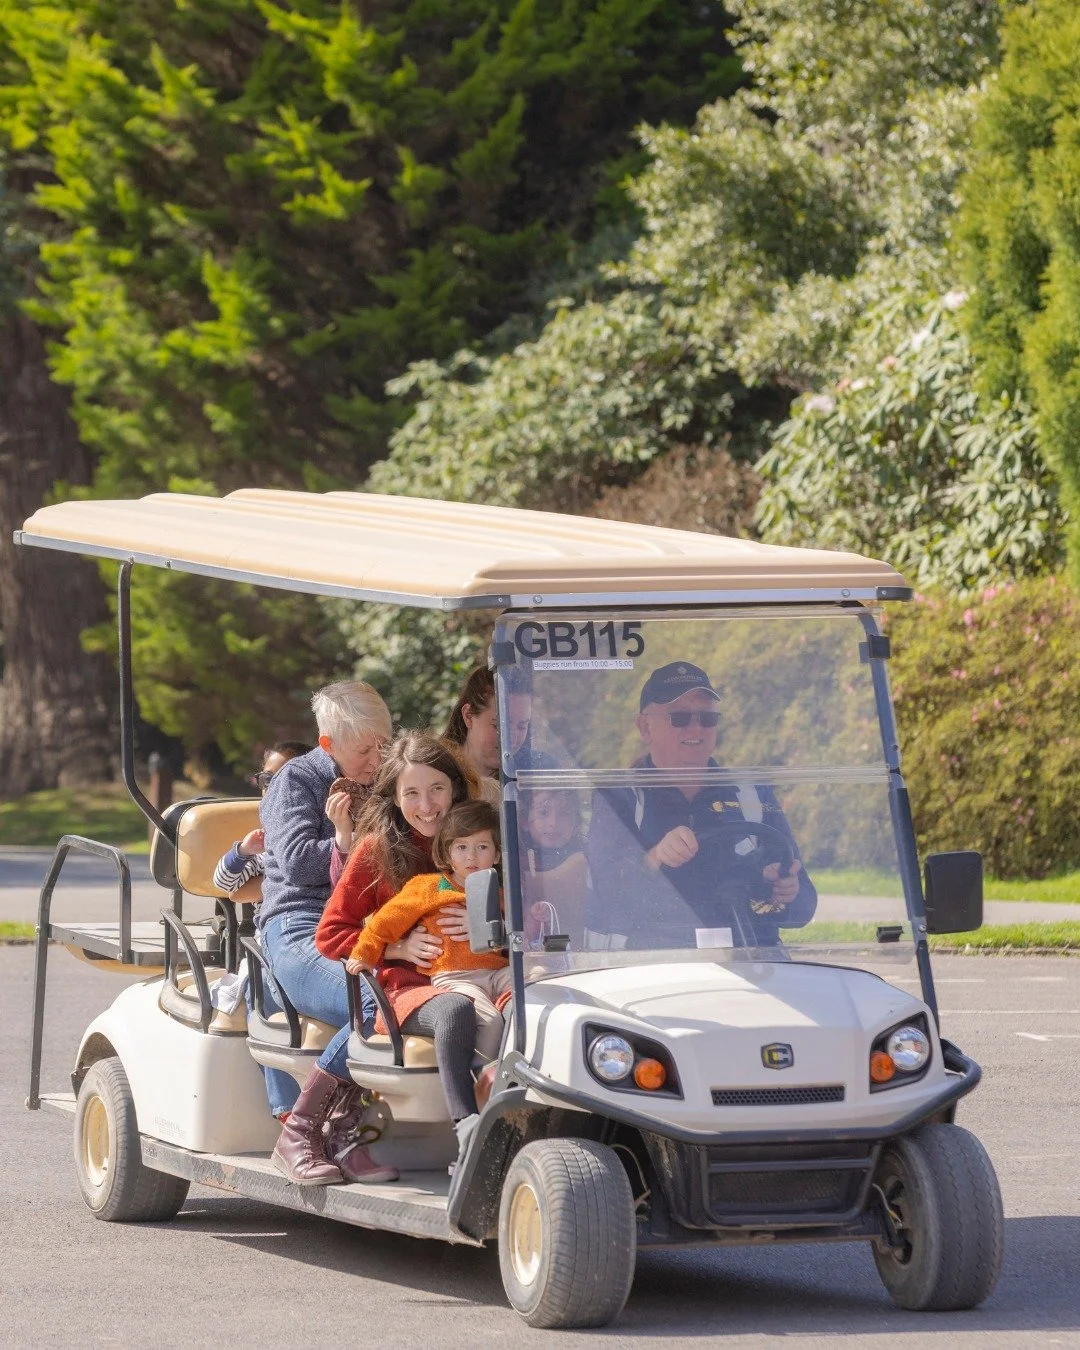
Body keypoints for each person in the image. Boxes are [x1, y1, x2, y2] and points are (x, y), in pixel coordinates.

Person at [312, 732, 485, 1178]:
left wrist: (489, 928)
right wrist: (395, 946)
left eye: (437, 790)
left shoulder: (482, 842)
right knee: (455, 1011)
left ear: (457, 789)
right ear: (394, 796)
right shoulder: (376, 850)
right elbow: (332, 934)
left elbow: (530, 914)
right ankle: (470, 1136)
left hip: (487, 972)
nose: (426, 806)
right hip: (408, 987)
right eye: (412, 793)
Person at [258, 680, 396, 1185]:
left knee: (411, 995)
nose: (378, 758)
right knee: (376, 1002)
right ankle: (300, 1130)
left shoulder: (384, 776)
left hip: (366, 923)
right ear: (328, 746)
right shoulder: (295, 782)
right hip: (300, 925)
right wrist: (346, 839)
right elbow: (295, 865)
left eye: (384, 743)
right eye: (365, 749)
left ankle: (340, 1134)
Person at [586, 660, 817, 948]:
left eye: (707, 718)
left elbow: (804, 905)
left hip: (752, 957)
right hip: (655, 964)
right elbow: (608, 897)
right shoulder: (618, 796)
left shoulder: (753, 796)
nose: (696, 728)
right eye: (680, 718)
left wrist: (787, 890)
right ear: (645, 727)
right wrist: (655, 857)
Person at [346, 800, 510, 1063]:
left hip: (497, 971)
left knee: (532, 993)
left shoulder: (501, 893)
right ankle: (483, 1081)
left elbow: (522, 928)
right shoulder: (431, 887)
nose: (471, 857)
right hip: (457, 975)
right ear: (447, 854)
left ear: (497, 854)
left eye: (482, 847)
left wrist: (492, 923)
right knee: (489, 1023)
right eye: (461, 847)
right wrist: (365, 954)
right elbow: (384, 923)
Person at [212, 741, 313, 896]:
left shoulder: (324, 839)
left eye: (289, 780)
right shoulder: (264, 847)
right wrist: (243, 851)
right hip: (276, 917)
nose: (275, 788)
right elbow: (224, 882)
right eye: (267, 780)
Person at [443, 663, 532, 788]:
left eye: (522, 726)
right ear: (468, 716)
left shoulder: (533, 774)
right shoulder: (435, 774)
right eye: (500, 726)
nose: (512, 739)